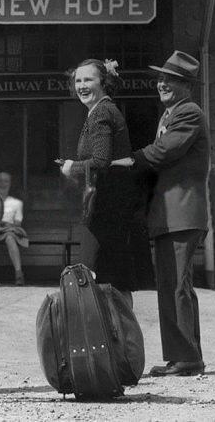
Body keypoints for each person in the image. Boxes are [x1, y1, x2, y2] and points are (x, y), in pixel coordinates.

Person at [113, 50, 209, 377]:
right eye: (161, 78)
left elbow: (166, 151)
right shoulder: (170, 114)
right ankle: (181, 356)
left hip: (182, 213)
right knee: (170, 284)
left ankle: (187, 358)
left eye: (171, 79)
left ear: (187, 85)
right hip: (169, 215)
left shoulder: (189, 113)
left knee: (176, 286)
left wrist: (132, 160)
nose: (162, 84)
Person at [58, 58, 154, 305]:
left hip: (108, 203)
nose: (81, 85)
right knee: (114, 275)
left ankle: (109, 336)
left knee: (96, 272)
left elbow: (100, 160)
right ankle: (120, 337)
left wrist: (72, 167)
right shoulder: (102, 110)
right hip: (113, 201)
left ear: (104, 81)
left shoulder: (101, 112)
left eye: (88, 79)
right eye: (78, 80)